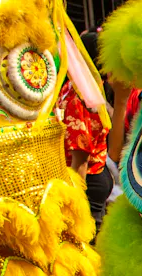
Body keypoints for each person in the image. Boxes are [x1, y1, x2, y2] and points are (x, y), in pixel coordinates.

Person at [57, 31, 113, 237]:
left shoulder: (79, 95)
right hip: (93, 177)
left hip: (86, 181)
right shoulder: (79, 87)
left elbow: (80, 158)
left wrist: (75, 206)